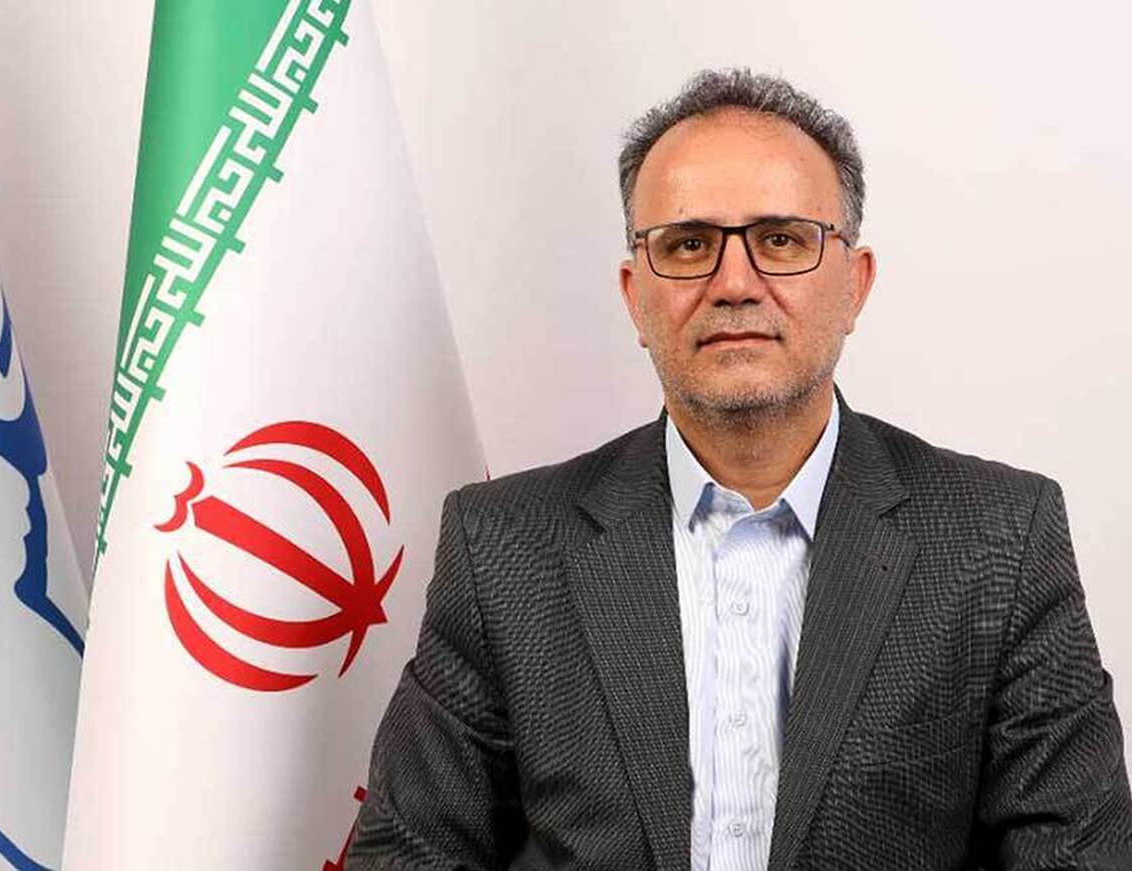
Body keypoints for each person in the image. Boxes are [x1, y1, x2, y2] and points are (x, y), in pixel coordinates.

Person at [345, 68, 1132, 870]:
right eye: (688, 245)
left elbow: (1079, 856)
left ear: (855, 285)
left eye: (781, 239)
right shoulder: (504, 548)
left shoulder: (999, 540)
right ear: (635, 296)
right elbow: (408, 855)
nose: (733, 283)